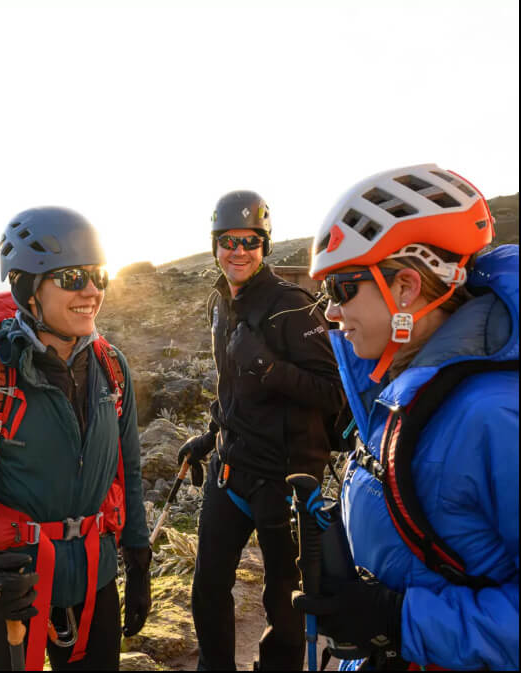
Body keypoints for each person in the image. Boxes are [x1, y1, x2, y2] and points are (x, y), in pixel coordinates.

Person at [293, 164, 518, 670]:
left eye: (342, 289)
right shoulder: (406, 384)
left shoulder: (495, 417)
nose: (330, 312)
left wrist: (398, 622)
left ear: (406, 288)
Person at [0, 206, 151, 670]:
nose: (91, 291)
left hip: (94, 579)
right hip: (6, 589)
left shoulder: (112, 370)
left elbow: (127, 468)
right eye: (71, 277)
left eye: (98, 275)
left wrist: (137, 551)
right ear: (28, 289)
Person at [177, 190, 344, 670]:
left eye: (250, 241)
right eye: (228, 240)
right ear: (215, 245)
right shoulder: (219, 300)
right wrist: (209, 435)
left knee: (284, 601)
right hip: (231, 469)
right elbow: (233, 388)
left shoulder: (292, 305)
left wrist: (269, 367)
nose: (238, 250)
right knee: (208, 585)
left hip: (287, 478)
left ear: (264, 246)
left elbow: (333, 392)